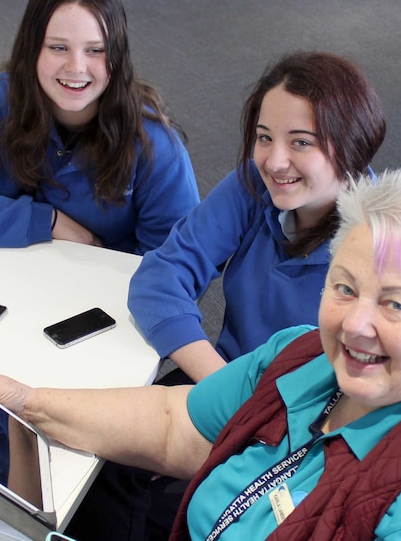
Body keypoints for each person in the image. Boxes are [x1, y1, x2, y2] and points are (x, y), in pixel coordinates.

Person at [0, 165, 401, 540]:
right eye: (344, 288)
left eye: (396, 304)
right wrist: (31, 404)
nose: (356, 325)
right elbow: (175, 426)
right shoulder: (304, 358)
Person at [129, 51, 386, 385]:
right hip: (228, 382)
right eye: (265, 137)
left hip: (305, 422)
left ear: (352, 144)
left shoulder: (385, 246)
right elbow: (158, 279)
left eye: (301, 142)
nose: (275, 162)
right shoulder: (253, 185)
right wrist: (223, 389)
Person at [0, 0, 199, 255]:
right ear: (31, 49)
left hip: (100, 292)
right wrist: (49, 220)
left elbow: (176, 267)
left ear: (118, 56)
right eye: (58, 47)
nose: (76, 67)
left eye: (96, 50)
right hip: (2, 273)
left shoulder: (155, 143)